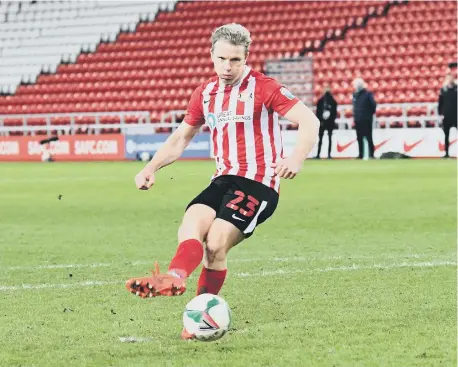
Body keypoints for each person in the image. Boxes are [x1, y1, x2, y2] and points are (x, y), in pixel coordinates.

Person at [125, 23, 319, 339]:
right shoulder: (204, 94)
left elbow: (310, 120)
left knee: (215, 244)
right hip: (222, 180)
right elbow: (179, 139)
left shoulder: (265, 87)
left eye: (235, 61)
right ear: (211, 56)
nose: (227, 68)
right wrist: (152, 167)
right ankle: (175, 277)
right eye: (222, 59)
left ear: (246, 59)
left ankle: (200, 314)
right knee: (190, 224)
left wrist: (296, 157)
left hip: (258, 182)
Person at [352, 78, 376, 159]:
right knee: (359, 138)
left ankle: (371, 155)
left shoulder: (368, 94)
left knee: (369, 137)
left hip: (366, 119)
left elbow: (373, 106)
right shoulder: (354, 95)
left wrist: (368, 115)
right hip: (358, 120)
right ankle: (360, 154)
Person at [315, 84, 337, 159]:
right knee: (323, 138)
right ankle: (321, 154)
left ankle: (325, 154)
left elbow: (334, 113)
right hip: (324, 122)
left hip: (326, 122)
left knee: (326, 138)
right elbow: (318, 112)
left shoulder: (331, 101)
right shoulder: (322, 101)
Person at [438, 72, 457, 158]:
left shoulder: (457, 89)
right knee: (446, 135)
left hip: (456, 115)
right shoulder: (443, 90)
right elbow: (440, 104)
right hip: (447, 115)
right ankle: (446, 153)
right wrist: (440, 114)